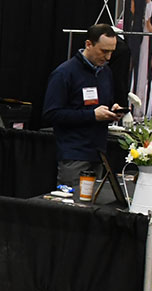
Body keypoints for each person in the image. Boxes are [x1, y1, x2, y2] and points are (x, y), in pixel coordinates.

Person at [43, 23, 121, 187]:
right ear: (88, 44)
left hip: (99, 154)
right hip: (74, 155)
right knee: (72, 207)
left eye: (111, 52)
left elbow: (102, 105)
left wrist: (112, 111)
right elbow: (51, 114)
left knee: (94, 207)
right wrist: (92, 115)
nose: (108, 57)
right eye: (104, 51)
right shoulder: (64, 73)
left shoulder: (106, 72)